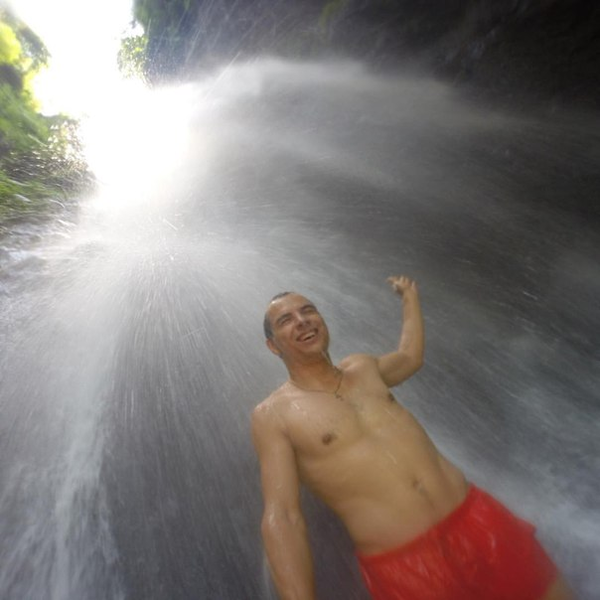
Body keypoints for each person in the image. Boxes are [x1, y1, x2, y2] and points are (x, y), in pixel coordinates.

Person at [252, 276, 574, 600]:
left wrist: (410, 298)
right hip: (409, 564)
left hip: (478, 521)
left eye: (308, 310)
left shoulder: (363, 368)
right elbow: (283, 516)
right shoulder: (274, 415)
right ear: (273, 346)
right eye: (286, 320)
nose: (302, 320)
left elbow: (409, 357)